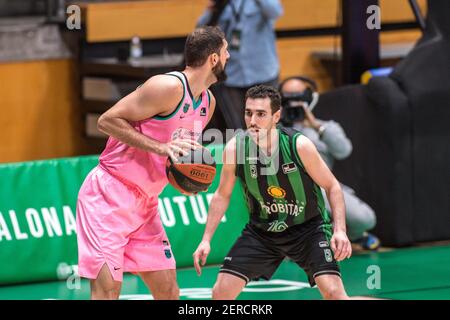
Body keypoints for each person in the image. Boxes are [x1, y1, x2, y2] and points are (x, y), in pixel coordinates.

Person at [76, 26, 230, 300]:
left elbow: (176, 156)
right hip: (109, 196)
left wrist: (184, 180)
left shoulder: (208, 103)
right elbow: (106, 121)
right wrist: (160, 147)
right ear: (214, 59)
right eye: (226, 50)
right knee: (107, 293)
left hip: (146, 205)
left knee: (169, 291)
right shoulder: (167, 87)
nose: (229, 56)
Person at [193, 85, 352, 300]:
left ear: (276, 116)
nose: (252, 120)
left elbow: (332, 186)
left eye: (261, 114)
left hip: (308, 230)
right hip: (262, 232)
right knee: (220, 293)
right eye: (248, 113)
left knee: (334, 293)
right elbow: (222, 195)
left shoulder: (299, 145)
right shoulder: (236, 148)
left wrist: (339, 230)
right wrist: (206, 239)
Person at [279, 76, 380, 250]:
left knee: (365, 218)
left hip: (323, 187)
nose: (293, 104)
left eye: (298, 98)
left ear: (309, 98)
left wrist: (316, 126)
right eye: (288, 98)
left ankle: (350, 236)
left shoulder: (326, 127)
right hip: (286, 190)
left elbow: (344, 150)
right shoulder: (272, 128)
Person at [198, 0, 283, 130]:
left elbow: (276, 12)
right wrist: (212, 10)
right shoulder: (225, 3)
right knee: (238, 129)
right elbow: (202, 30)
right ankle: (244, 150)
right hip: (231, 75)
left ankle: (270, 151)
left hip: (263, 71)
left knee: (269, 126)